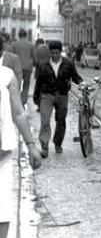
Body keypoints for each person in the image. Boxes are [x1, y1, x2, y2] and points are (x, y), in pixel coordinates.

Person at [0, 63, 42, 238]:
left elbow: (18, 113)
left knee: (2, 211)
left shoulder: (6, 76)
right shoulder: (6, 75)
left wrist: (31, 145)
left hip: (1, 157)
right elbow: (18, 114)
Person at [33, 41, 83, 156]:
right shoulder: (43, 64)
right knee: (45, 120)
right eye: (52, 53)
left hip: (62, 94)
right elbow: (39, 83)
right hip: (47, 94)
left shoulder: (68, 63)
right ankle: (44, 146)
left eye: (57, 52)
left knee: (61, 120)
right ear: (50, 52)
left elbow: (75, 77)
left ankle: (58, 143)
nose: (54, 55)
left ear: (60, 52)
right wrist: (36, 97)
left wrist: (81, 83)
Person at [12, 29, 36, 105]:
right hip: (28, 67)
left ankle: (17, 100)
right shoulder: (31, 45)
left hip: (17, 67)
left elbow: (12, 56)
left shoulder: (14, 44)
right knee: (26, 85)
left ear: (18, 35)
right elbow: (34, 57)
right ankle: (23, 100)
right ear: (26, 35)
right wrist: (33, 64)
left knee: (17, 84)